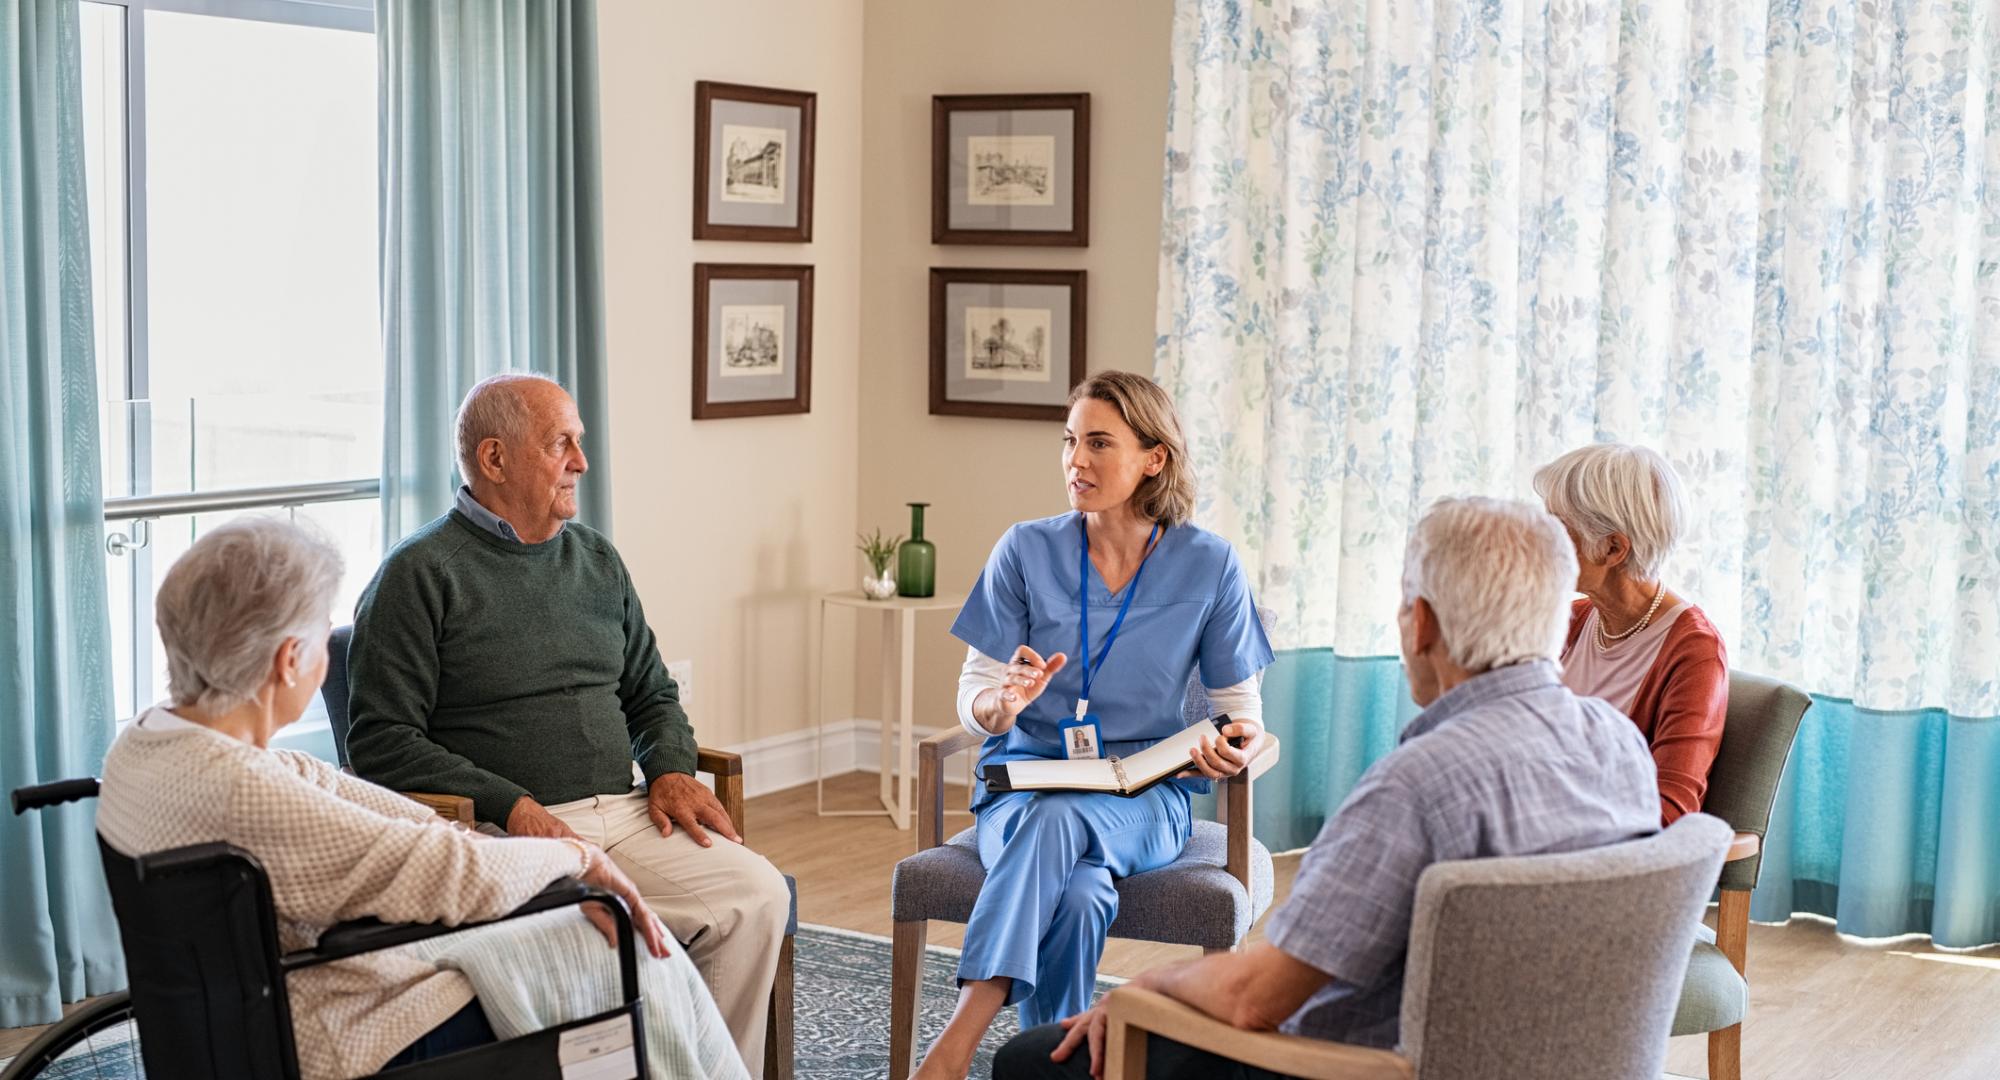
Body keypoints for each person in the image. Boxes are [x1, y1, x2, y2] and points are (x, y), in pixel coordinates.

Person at [990, 497, 1661, 1079]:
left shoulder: (1417, 785)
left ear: (1420, 622)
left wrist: (1140, 990)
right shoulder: (1621, 747)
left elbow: (1257, 997)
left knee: (1032, 1059)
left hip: (1352, 1068)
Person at [96, 519, 747, 1080]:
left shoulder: (150, 745)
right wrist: (573, 859)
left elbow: (329, 789)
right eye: (324, 632)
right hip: (328, 1029)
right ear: (290, 660)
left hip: (228, 1014)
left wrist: (480, 838)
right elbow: (452, 877)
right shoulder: (244, 791)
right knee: (615, 948)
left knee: (579, 930)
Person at [345, 373, 789, 1074]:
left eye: (578, 442)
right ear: (494, 460)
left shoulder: (596, 560)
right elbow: (380, 739)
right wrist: (510, 806)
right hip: (508, 835)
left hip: (630, 811)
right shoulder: (419, 574)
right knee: (597, 938)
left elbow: (651, 691)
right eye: (562, 444)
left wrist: (671, 765)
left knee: (756, 895)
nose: (581, 461)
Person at [912, 371, 1277, 1080]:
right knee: (1079, 893)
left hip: (1145, 800)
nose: (1075, 460)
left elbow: (1242, 715)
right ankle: (1053, 1063)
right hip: (1022, 788)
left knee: (1062, 823)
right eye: (1069, 441)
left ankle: (955, 1043)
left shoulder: (1210, 565)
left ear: (1153, 458)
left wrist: (1235, 749)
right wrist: (1003, 707)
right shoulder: (1024, 549)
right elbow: (976, 695)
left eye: (1099, 443)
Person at [1534, 443, 1729, 823]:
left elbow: (1670, 809)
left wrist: (1547, 822)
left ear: (1612, 548)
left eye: (1555, 529)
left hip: (1597, 862)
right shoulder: (1569, 620)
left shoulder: (1694, 652)